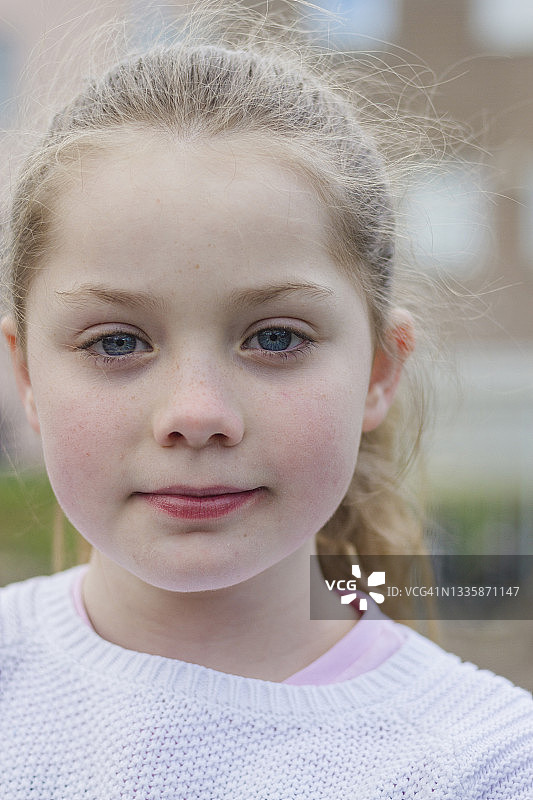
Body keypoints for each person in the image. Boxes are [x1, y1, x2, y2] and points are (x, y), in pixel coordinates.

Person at [0, 3, 531, 798]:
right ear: (29, 377)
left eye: (275, 338)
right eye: (117, 342)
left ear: (381, 371)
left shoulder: (483, 764)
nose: (197, 412)